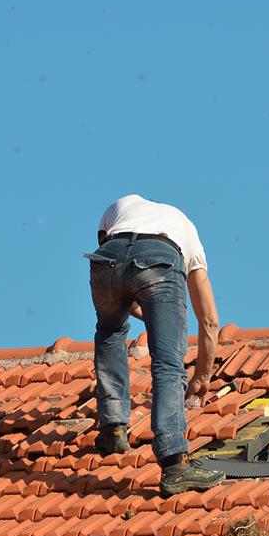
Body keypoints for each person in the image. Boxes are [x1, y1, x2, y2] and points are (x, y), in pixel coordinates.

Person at [84, 194, 225, 497]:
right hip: (159, 261)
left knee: (110, 331)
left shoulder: (122, 204)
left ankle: (113, 428)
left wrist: (151, 312)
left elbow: (124, 283)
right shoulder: (188, 234)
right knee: (168, 363)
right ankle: (174, 463)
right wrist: (202, 377)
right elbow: (210, 320)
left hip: (107, 259)